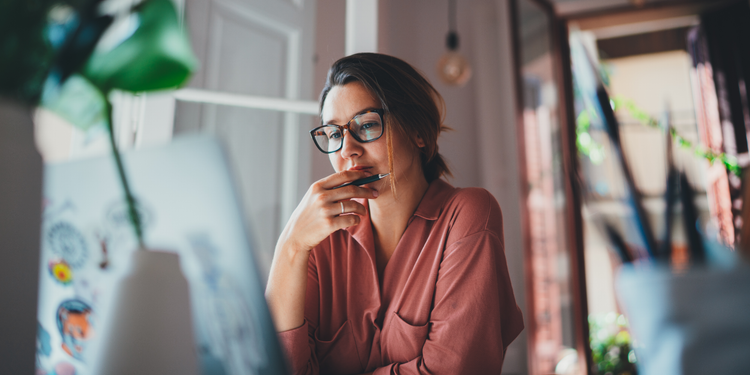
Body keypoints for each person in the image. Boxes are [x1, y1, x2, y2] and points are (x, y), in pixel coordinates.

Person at [266, 53, 523, 375]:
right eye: (334, 134)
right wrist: (290, 245)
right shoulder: (319, 239)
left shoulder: (468, 215)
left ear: (418, 132)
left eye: (368, 125)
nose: (348, 150)